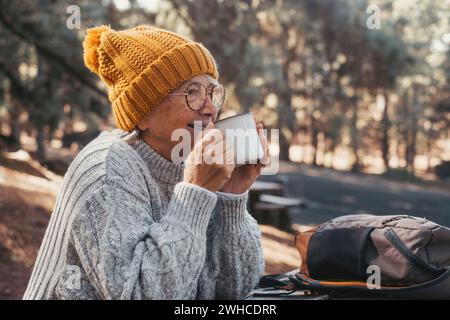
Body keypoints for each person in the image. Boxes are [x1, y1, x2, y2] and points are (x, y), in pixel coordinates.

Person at [23, 24, 268, 300]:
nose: (211, 108)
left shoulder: (189, 165)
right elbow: (140, 294)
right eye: (193, 92)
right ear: (143, 113)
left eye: (212, 93)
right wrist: (194, 195)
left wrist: (231, 197)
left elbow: (230, 291)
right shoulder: (107, 168)